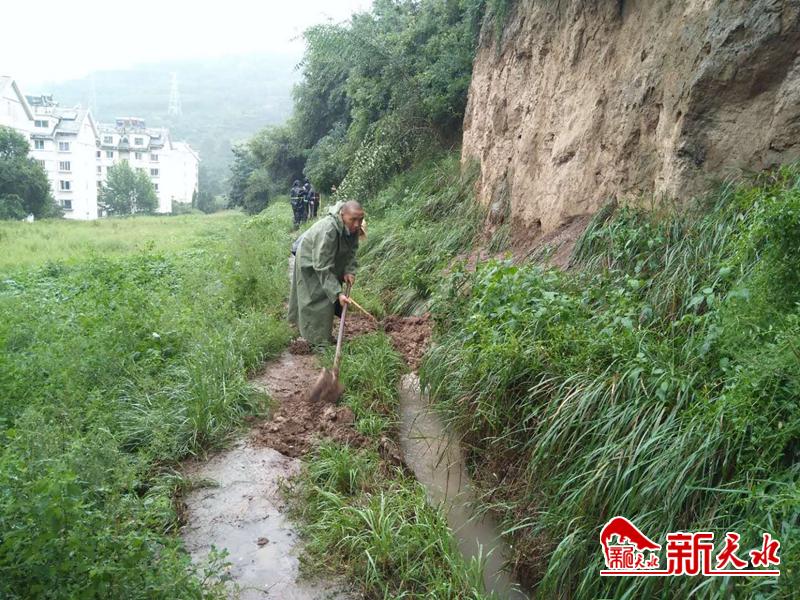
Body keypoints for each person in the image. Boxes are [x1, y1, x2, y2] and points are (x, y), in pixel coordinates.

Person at [288, 200, 365, 346]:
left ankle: (321, 335)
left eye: (360, 219)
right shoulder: (328, 230)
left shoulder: (353, 228)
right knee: (316, 296)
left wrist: (349, 270)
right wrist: (337, 293)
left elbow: (352, 251)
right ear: (342, 215)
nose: (357, 224)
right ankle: (316, 341)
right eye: (353, 219)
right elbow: (322, 266)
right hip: (310, 259)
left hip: (326, 260)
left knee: (328, 295)